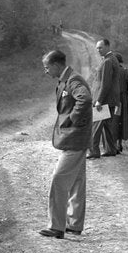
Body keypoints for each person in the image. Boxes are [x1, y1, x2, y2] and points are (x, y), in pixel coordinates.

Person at [40, 49, 92, 239]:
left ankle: (56, 226)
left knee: (59, 179)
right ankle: (74, 224)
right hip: (76, 139)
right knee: (77, 182)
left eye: (47, 67)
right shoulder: (66, 79)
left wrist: (73, 119)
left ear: (56, 65)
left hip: (75, 139)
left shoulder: (73, 80)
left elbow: (85, 98)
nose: (46, 71)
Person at [87, 38, 120, 158]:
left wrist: (99, 100)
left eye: (100, 47)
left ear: (107, 46)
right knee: (107, 126)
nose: (98, 50)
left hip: (104, 100)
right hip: (109, 99)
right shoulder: (112, 59)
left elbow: (105, 84)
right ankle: (111, 149)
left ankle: (93, 151)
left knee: (96, 126)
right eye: (97, 48)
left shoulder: (107, 61)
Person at [114, 53, 128, 153]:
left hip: (113, 99)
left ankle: (112, 144)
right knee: (122, 121)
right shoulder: (126, 71)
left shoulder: (111, 71)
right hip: (123, 100)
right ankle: (119, 144)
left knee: (113, 121)